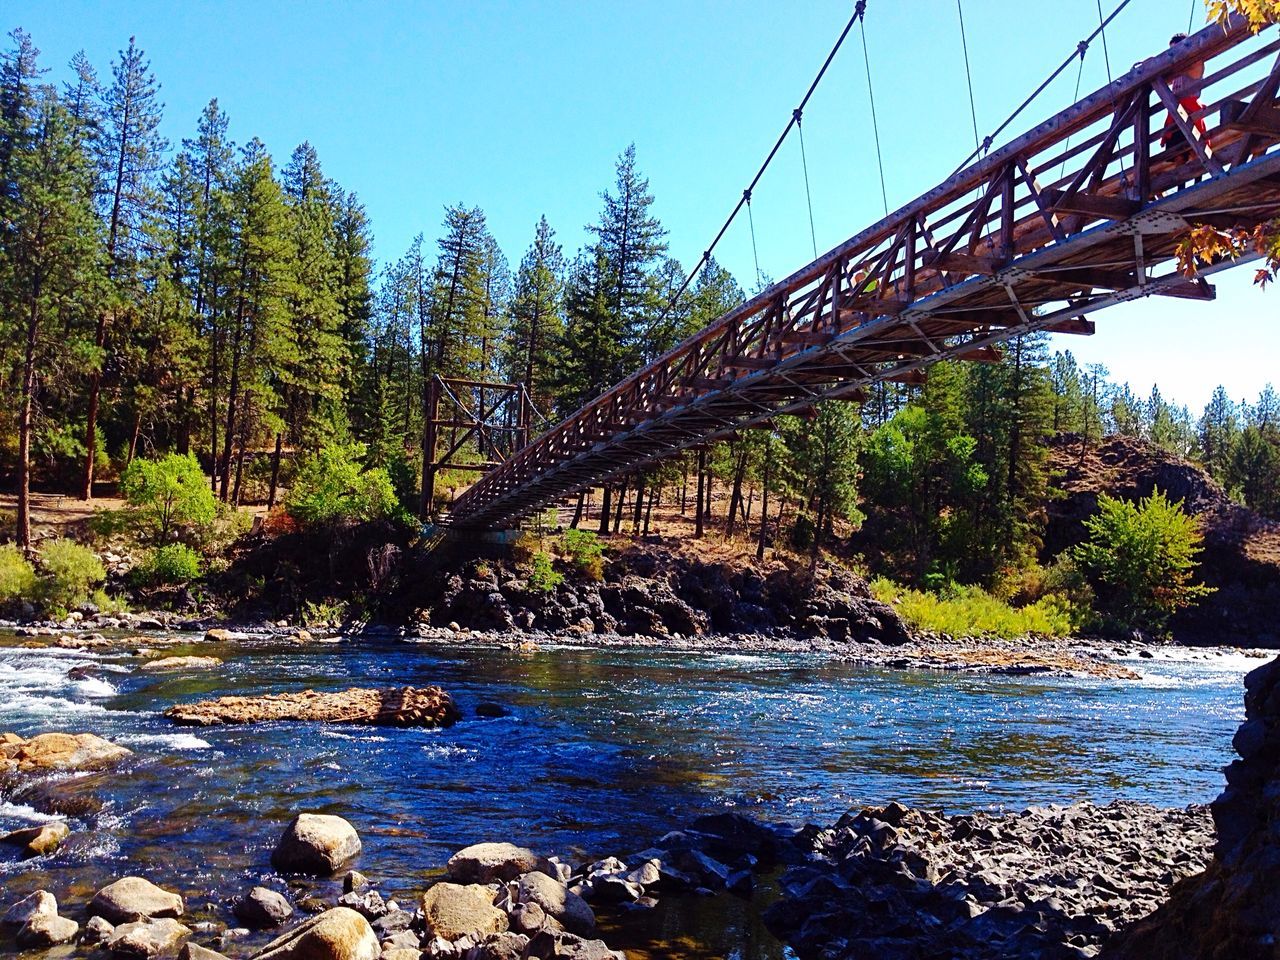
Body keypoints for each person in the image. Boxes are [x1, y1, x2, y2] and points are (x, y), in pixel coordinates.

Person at [1159, 33, 1212, 157]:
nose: (1173, 54)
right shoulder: (1175, 70)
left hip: (1189, 112)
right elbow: (1163, 74)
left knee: (1193, 152)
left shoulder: (1194, 64)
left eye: (1175, 50)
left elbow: (1196, 63)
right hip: (1176, 114)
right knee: (1176, 155)